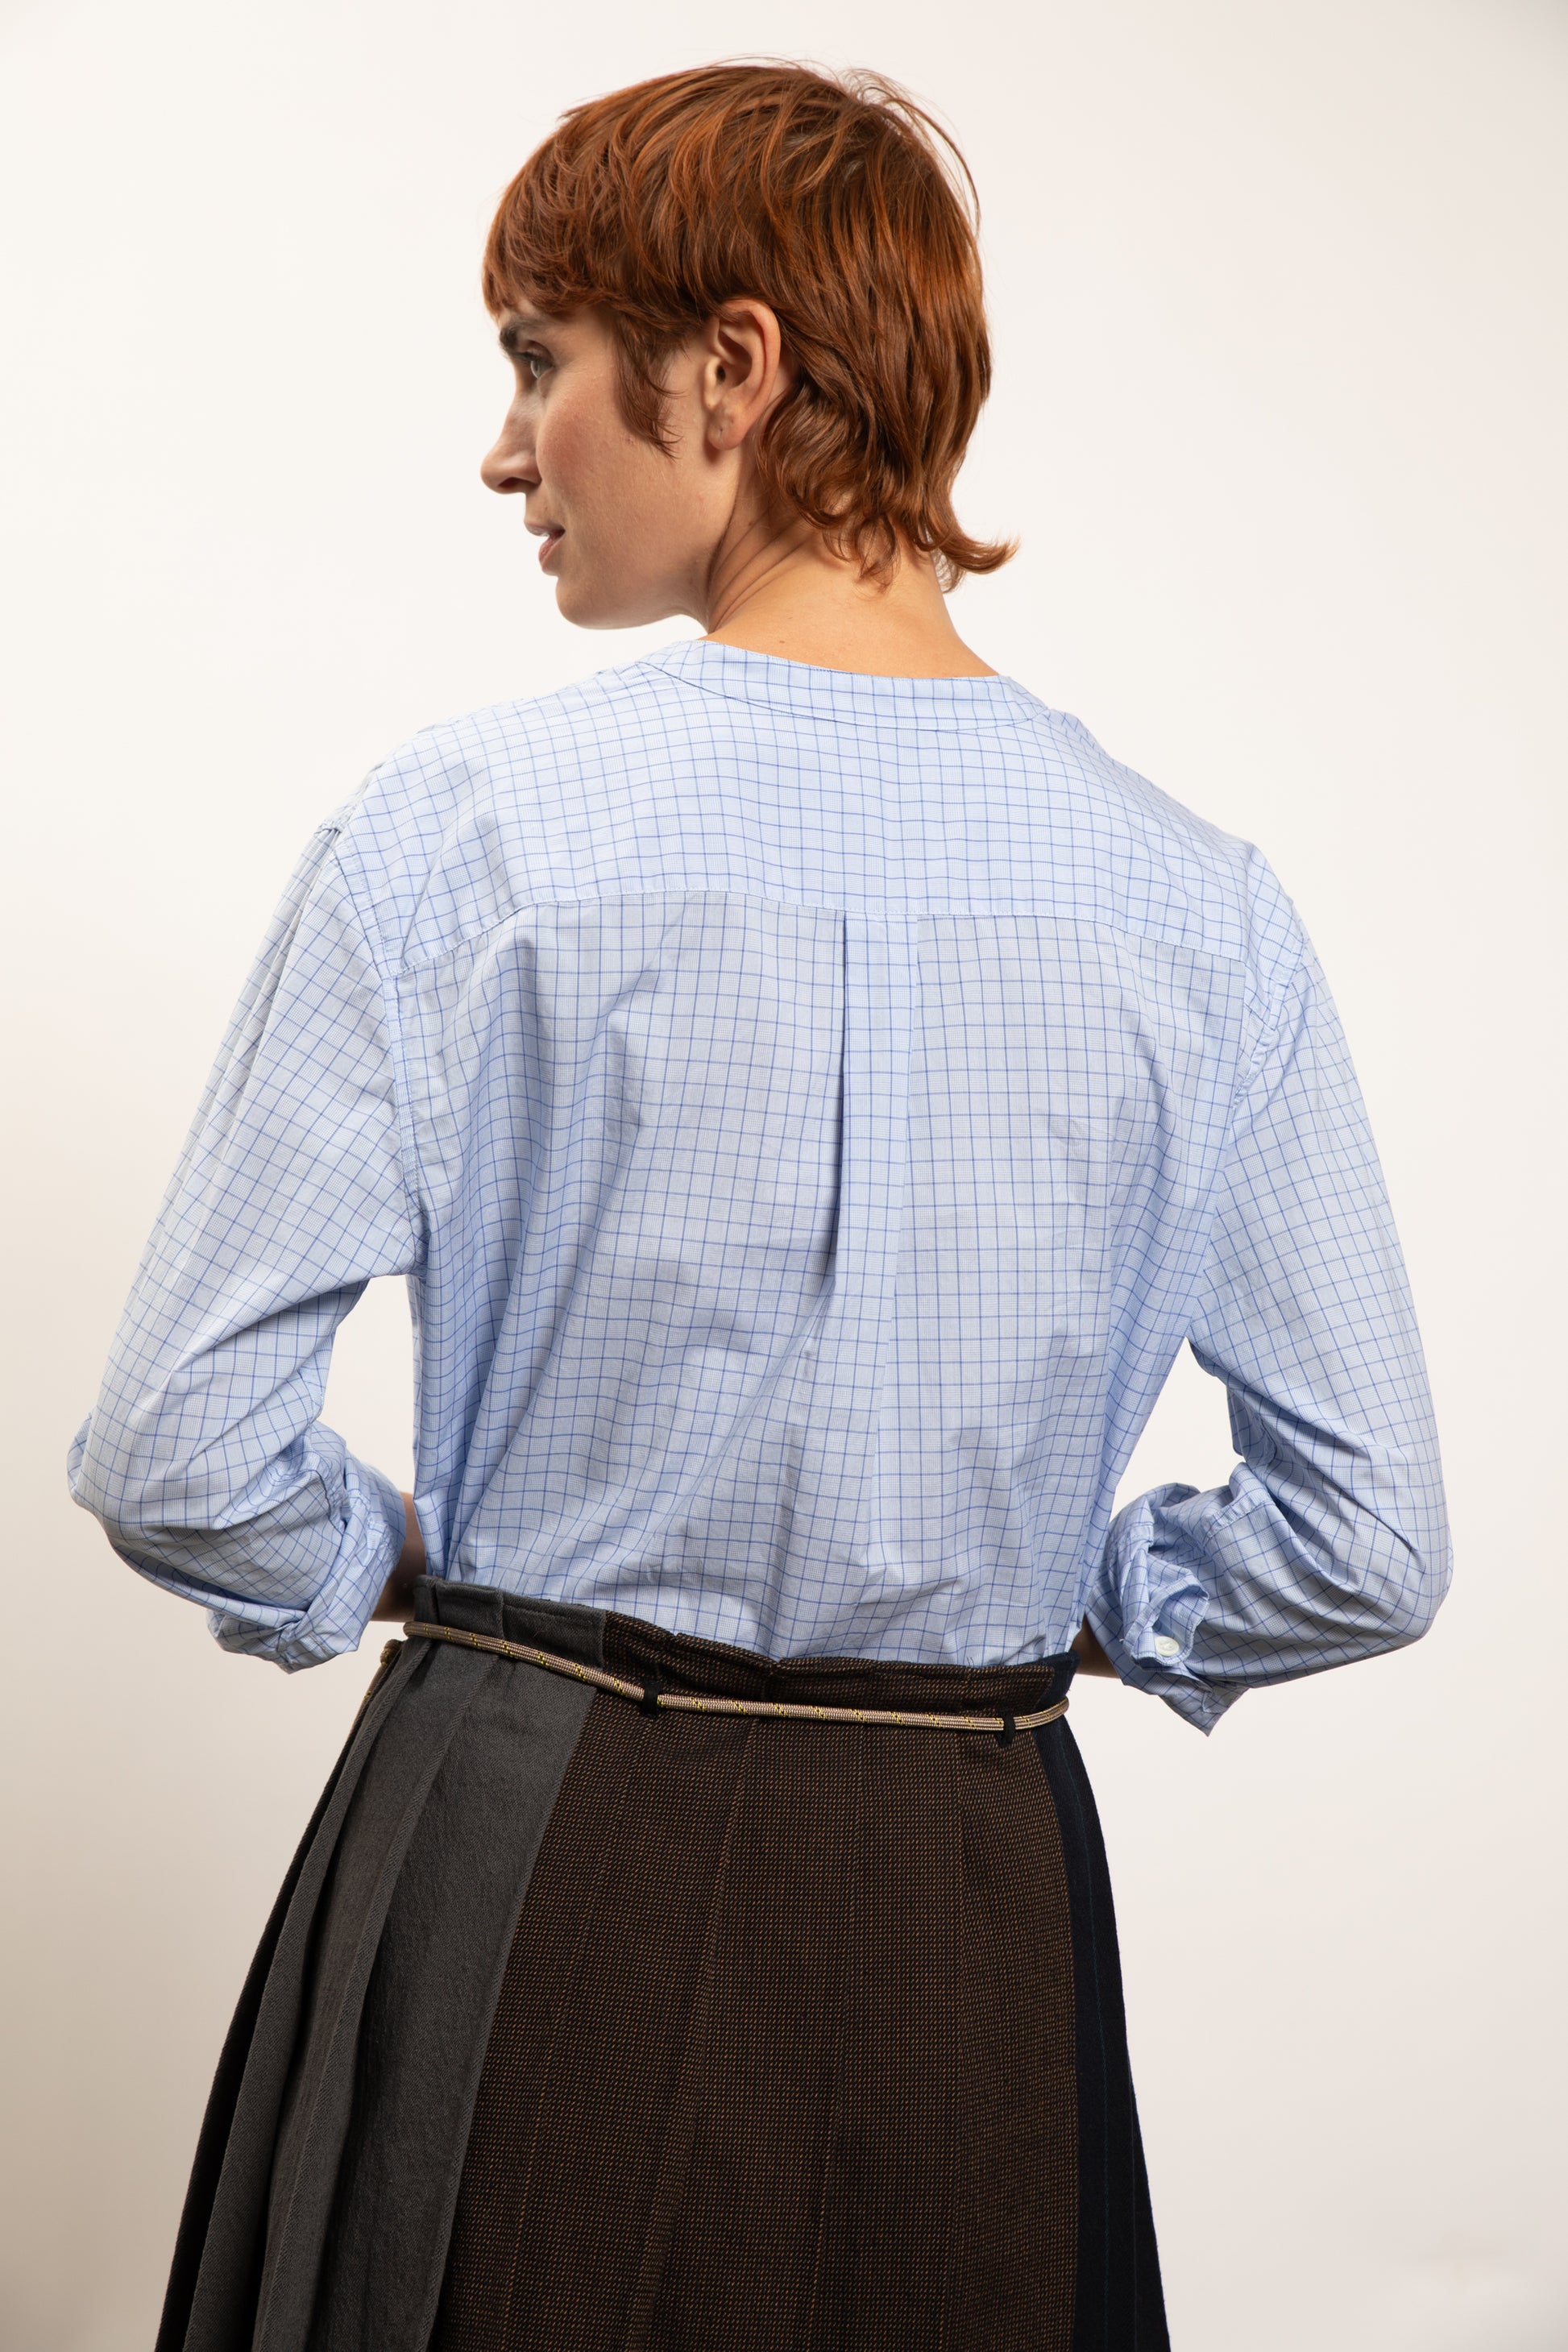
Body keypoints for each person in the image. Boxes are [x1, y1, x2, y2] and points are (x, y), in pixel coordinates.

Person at [68, 60, 1450, 2352]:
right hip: (971, 1904)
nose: (506, 449)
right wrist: (1066, 1598)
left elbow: (174, 1451)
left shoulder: (463, 836)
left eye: (538, 360)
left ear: (730, 369)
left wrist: (404, 1568)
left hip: (522, 1853)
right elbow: (1369, 1539)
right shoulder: (1201, 914)